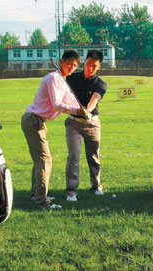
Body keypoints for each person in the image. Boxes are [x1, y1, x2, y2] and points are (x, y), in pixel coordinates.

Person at [21, 50, 87, 208]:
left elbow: (69, 99)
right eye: (69, 64)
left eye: (75, 65)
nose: (71, 67)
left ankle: (35, 194)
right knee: (44, 161)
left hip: (38, 121)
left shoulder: (62, 81)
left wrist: (83, 110)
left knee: (40, 160)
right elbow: (57, 104)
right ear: (62, 61)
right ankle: (42, 201)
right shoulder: (53, 78)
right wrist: (77, 111)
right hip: (33, 120)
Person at [64, 50, 107, 202]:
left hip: (92, 123)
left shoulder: (101, 84)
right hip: (73, 123)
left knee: (94, 156)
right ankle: (71, 191)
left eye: (94, 66)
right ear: (85, 62)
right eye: (88, 64)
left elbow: (95, 99)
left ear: (99, 67)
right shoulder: (71, 78)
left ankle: (96, 186)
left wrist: (87, 110)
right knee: (74, 156)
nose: (90, 68)